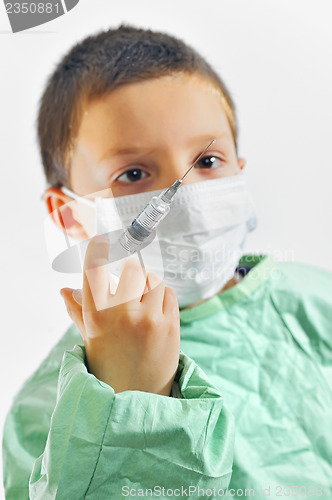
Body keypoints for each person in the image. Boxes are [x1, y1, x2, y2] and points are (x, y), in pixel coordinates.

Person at [3, 25, 331, 499]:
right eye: (134, 173)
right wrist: (132, 399)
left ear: (241, 168)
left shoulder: (316, 305)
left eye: (208, 161)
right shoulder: (49, 419)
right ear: (70, 215)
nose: (190, 197)